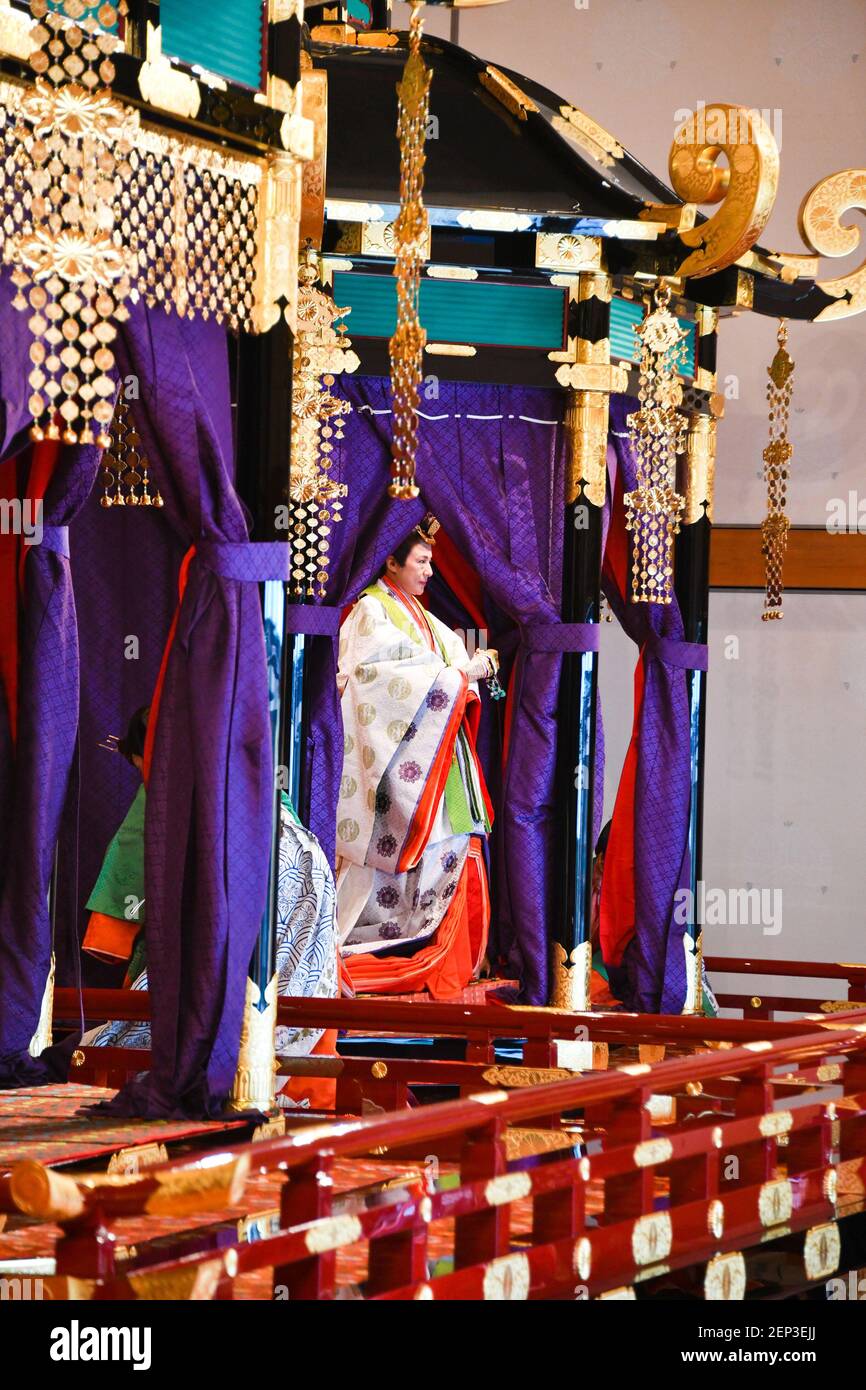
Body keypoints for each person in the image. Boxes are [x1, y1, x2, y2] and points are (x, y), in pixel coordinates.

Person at [83, 709, 340, 1110]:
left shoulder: (202, 815)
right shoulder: (269, 807)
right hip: (293, 1017)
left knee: (98, 1052)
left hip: (235, 994)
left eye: (146, 775)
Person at [335, 515, 498, 998]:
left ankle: (446, 976)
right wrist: (456, 679)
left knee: (455, 851)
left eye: (430, 562)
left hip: (441, 756)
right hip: (396, 765)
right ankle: (346, 963)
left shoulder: (423, 617)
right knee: (373, 872)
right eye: (422, 561)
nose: (429, 572)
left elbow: (459, 660)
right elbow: (375, 675)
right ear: (391, 561)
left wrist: (475, 668)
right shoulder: (371, 611)